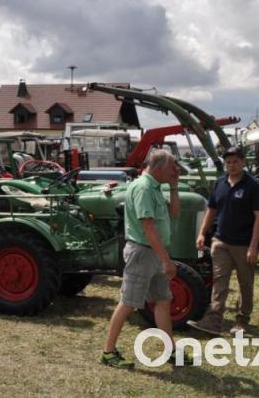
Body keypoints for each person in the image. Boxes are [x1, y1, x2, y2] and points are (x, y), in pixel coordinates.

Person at [101, 149, 181, 369]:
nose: (176, 170)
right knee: (128, 302)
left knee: (163, 301)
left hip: (154, 252)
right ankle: (108, 352)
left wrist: (174, 186)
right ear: (157, 167)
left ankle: (170, 350)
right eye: (172, 166)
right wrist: (166, 261)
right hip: (144, 253)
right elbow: (148, 229)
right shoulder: (144, 188)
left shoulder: (154, 187)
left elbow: (174, 213)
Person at [188, 146, 259, 336]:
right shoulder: (219, 183)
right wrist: (202, 233)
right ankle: (214, 321)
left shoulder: (253, 186)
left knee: (245, 283)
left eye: (236, 161)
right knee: (219, 281)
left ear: (243, 162)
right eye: (228, 162)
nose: (232, 165)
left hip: (243, 244)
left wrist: (254, 246)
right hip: (220, 241)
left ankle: (242, 321)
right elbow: (211, 210)